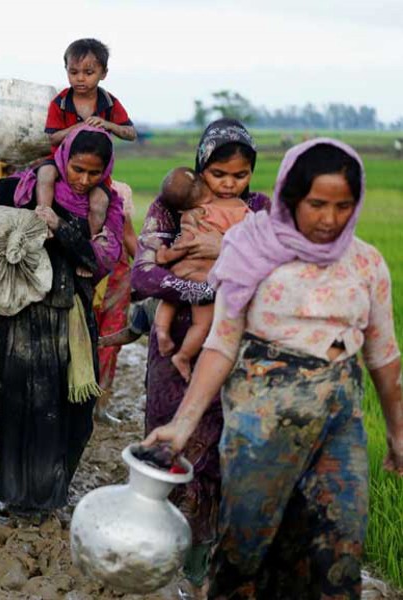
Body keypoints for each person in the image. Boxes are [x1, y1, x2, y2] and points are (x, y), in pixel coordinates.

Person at [144, 139, 403, 598]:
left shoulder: (366, 263)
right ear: (289, 198)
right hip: (257, 427)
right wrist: (182, 425)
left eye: (344, 206)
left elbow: (383, 356)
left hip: (338, 428)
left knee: (338, 551)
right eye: (317, 204)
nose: (329, 220)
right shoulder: (251, 251)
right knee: (247, 550)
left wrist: (398, 432)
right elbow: (221, 345)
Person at [0, 125, 124, 516]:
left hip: (73, 318)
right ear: (63, 161)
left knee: (76, 415)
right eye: (77, 169)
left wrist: (61, 228)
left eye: (94, 173)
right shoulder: (25, 190)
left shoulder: (107, 207)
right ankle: (20, 501)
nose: (84, 180)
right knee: (23, 408)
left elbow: (99, 261)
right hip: (23, 321)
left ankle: (52, 493)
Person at [130, 118, 270, 589]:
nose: (230, 183)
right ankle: (161, 549)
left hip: (235, 345)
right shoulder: (172, 205)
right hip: (176, 346)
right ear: (200, 168)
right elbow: (144, 276)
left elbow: (280, 271)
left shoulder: (262, 210)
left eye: (240, 174)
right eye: (218, 173)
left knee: (223, 453)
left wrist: (226, 251)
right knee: (169, 444)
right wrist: (206, 287)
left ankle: (207, 559)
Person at [152, 167, 250, 382]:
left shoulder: (193, 213)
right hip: (206, 276)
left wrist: (164, 256)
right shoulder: (242, 209)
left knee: (169, 299)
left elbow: (185, 243)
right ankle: (184, 356)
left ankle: (161, 332)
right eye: (219, 175)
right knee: (201, 324)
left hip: (184, 269)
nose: (228, 183)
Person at [36, 38, 137, 245]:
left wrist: (108, 125)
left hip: (93, 166)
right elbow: (52, 138)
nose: (80, 79)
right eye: (74, 72)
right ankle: (44, 220)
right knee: (45, 173)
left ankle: (89, 245)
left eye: (88, 73)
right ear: (66, 70)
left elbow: (130, 133)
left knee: (99, 202)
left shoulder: (109, 102)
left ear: (103, 74)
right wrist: (76, 129)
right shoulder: (60, 102)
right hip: (61, 161)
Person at [92, 180, 137, 422]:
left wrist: (147, 274)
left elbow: (128, 235)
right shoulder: (65, 189)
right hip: (85, 274)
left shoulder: (120, 191)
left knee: (110, 342)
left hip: (117, 278)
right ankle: (74, 404)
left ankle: (99, 406)